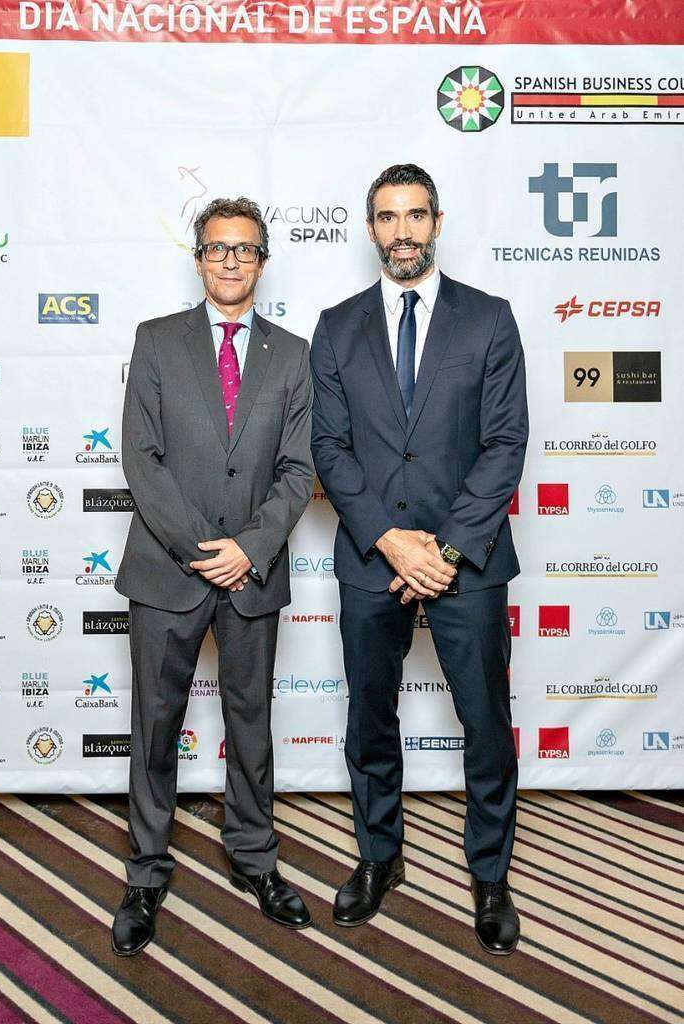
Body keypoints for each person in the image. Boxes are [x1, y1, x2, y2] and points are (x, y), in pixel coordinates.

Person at [310, 164, 528, 955]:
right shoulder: (337, 326)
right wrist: (390, 540)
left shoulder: (489, 319)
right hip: (373, 560)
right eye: (386, 217)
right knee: (369, 720)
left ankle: (491, 875)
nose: (401, 231)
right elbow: (329, 448)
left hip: (468, 561)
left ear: (438, 222)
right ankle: (380, 856)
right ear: (371, 229)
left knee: (486, 725)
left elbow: (505, 444)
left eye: (414, 215)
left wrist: (445, 548)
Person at [112, 197, 315, 955]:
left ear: (263, 261)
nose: (231, 261)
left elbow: (298, 470)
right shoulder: (156, 340)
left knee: (250, 724)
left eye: (245, 249)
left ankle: (255, 859)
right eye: (218, 248)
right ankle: (145, 872)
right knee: (155, 726)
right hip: (169, 569)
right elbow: (141, 458)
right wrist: (207, 549)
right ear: (199, 259)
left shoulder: (293, 354)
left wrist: (248, 549)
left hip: (251, 573)